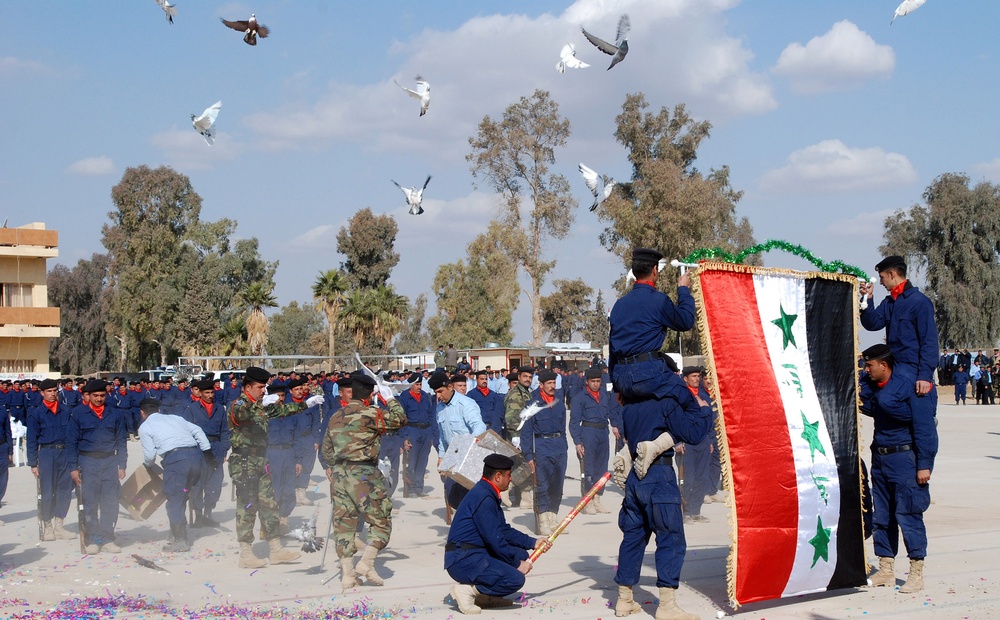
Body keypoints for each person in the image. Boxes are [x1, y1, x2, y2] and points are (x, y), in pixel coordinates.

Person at [613, 367, 710, 620]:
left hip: (636, 478)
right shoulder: (666, 403)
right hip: (659, 476)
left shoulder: (630, 406)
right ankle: (667, 606)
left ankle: (624, 600)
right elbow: (694, 434)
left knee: (633, 537)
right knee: (671, 538)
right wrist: (703, 410)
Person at [860, 344, 937, 594]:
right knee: (883, 516)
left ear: (884, 365)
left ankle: (916, 572)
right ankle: (886, 569)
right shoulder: (875, 388)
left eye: (870, 365)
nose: (866, 370)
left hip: (905, 459)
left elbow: (925, 428)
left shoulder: (910, 386)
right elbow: (870, 406)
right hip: (881, 459)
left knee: (909, 515)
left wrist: (924, 464)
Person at [228, 366, 321, 568]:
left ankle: (276, 549)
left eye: (264, 387)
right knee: (247, 507)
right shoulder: (239, 404)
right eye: (260, 387)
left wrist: (306, 404)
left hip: (262, 460)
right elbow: (242, 414)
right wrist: (261, 404)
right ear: (247, 387)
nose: (263, 391)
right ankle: (245, 553)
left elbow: (284, 409)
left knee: (269, 505)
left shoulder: (263, 403)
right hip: (245, 462)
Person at [322, 374, 407, 590]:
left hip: (340, 475)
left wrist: (339, 466)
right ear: (370, 395)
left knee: (344, 525)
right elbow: (400, 420)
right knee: (380, 520)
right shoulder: (371, 413)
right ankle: (367, 563)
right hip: (364, 474)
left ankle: (348, 575)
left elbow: (327, 450)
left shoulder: (335, 416)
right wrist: (390, 399)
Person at [445, 454, 551, 615]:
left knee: (521, 553)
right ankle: (469, 591)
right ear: (498, 476)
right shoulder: (484, 497)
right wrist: (516, 564)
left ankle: (485, 595)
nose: (510, 479)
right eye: (508, 475)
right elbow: (495, 539)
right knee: (515, 579)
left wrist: (533, 542)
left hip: (473, 552)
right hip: (463, 558)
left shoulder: (487, 491)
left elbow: (503, 529)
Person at [609, 247, 695, 401]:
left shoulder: (619, 305)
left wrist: (618, 387)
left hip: (622, 377)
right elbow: (686, 321)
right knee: (691, 405)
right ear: (655, 270)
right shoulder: (658, 301)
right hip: (647, 374)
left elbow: (613, 348)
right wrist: (683, 290)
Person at [860, 255, 939, 412]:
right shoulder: (889, 302)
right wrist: (867, 299)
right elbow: (873, 323)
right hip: (893, 367)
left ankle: (921, 418)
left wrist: (924, 375)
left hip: (912, 368)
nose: (881, 282)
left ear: (892, 274)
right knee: (860, 394)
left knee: (885, 400)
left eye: (882, 278)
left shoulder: (919, 302)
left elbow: (929, 342)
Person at [137, 397, 211, 552]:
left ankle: (180, 539)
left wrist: (148, 467)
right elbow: (197, 430)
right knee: (183, 494)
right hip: (196, 457)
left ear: (142, 413)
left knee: (174, 499)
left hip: (177, 461)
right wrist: (207, 450)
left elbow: (150, 455)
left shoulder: (145, 427)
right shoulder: (176, 418)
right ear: (159, 410)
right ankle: (175, 531)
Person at [66, 379, 127, 554]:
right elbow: (71, 443)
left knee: (110, 502)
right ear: (88, 396)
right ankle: (92, 539)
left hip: (109, 462)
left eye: (102, 395)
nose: (99, 399)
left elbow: (121, 441)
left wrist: (122, 464)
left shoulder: (115, 414)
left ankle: (108, 538)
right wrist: (73, 468)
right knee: (90, 502)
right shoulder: (78, 414)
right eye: (95, 396)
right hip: (87, 462)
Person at [26, 379, 77, 541]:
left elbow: (73, 435)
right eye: (49, 391)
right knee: (47, 492)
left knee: (64, 491)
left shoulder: (66, 410)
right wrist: (33, 463)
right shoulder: (36, 413)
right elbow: (32, 440)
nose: (53, 393)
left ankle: (59, 525)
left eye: (55, 390)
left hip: (65, 453)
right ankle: (47, 526)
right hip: (47, 454)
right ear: (42, 393)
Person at [519, 370, 568, 535]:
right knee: (542, 484)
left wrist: (565, 446)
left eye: (554, 383)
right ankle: (543, 519)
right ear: (541, 385)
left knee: (557, 484)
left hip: (559, 446)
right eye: (549, 383)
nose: (552, 386)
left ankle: (553, 517)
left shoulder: (559, 403)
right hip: (542, 446)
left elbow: (563, 427)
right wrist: (528, 456)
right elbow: (526, 432)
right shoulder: (532, 404)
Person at [568, 367, 621, 515]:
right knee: (588, 469)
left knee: (602, 468)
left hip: (603, 433)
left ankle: (597, 499)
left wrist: (615, 426)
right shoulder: (580, 398)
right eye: (593, 381)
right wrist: (578, 441)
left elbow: (612, 413)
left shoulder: (604, 396)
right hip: (588, 433)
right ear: (587, 382)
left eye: (598, 381)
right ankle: (588, 501)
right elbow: (574, 422)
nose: (596, 384)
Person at [431, 372, 487, 510]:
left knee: (471, 495)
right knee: (452, 495)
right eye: (435, 392)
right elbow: (442, 436)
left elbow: (479, 427)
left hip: (470, 457)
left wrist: (468, 448)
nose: (438, 396)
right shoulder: (440, 409)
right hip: (453, 456)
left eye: (440, 391)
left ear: (450, 387)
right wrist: (441, 456)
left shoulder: (466, 404)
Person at [179, 379, 229, 527]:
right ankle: (198, 515)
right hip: (198, 451)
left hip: (216, 449)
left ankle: (208, 514)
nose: (210, 395)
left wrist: (224, 448)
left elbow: (225, 431)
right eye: (207, 392)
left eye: (212, 392)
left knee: (215, 485)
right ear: (199, 393)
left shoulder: (220, 409)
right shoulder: (191, 409)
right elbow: (185, 431)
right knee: (197, 485)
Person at [677, 367, 716, 524]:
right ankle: (685, 512)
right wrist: (678, 441)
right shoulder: (680, 396)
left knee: (702, 478)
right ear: (685, 378)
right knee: (688, 479)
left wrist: (711, 441)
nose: (697, 379)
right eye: (693, 376)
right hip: (687, 443)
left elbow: (710, 421)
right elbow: (675, 420)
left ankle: (696, 511)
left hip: (703, 442)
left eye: (698, 376)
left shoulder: (704, 395)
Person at [399, 373, 436, 497]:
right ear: (411, 385)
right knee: (411, 461)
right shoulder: (404, 397)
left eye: (420, 384)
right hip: (412, 430)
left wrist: (431, 434)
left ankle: (419, 487)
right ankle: (409, 488)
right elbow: (402, 418)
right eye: (417, 384)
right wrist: (404, 438)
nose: (419, 387)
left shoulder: (425, 396)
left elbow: (431, 415)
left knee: (422, 461)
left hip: (425, 431)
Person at [503, 366, 534, 508]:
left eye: (530, 377)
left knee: (526, 464)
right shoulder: (516, 394)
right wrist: (516, 436)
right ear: (519, 377)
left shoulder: (528, 392)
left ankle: (525, 497)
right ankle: (507, 487)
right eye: (525, 376)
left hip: (527, 434)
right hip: (518, 435)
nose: (528, 379)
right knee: (528, 464)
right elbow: (511, 417)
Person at [468, 370, 505, 436]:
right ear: (477, 380)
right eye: (482, 379)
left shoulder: (493, 395)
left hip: (493, 428)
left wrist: (496, 428)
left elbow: (499, 412)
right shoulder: (471, 395)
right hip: (478, 429)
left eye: (486, 379)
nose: (484, 381)